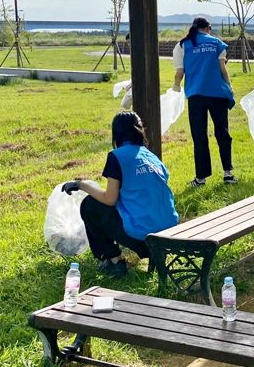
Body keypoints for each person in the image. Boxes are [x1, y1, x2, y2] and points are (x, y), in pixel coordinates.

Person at [62, 111, 179, 277]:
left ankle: (114, 260)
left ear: (116, 134)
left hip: (144, 237)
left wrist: (81, 185)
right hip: (169, 231)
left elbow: (109, 199)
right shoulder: (151, 156)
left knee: (90, 205)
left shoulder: (117, 156)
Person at [172, 17, 237, 187]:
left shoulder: (182, 45)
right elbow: (223, 69)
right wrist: (230, 87)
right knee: (223, 133)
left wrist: (176, 85)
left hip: (196, 95)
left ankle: (201, 178)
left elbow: (180, 71)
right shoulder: (217, 43)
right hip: (218, 94)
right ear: (208, 28)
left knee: (199, 136)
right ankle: (228, 174)